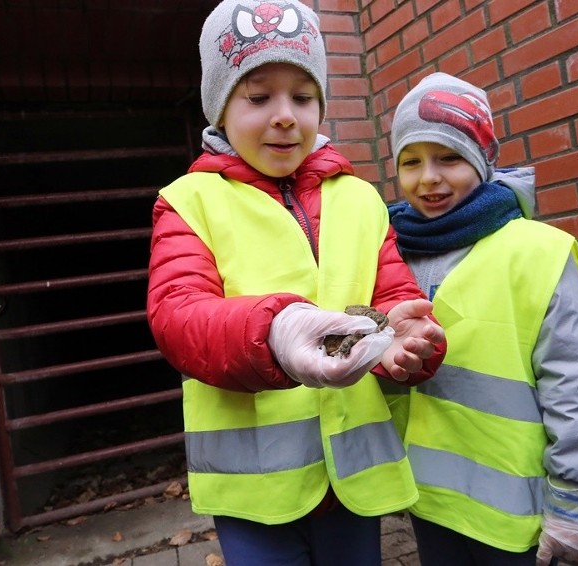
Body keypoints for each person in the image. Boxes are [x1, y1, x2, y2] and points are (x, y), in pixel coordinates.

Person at [146, 2, 447, 565]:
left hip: (354, 478)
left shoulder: (359, 198)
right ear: (220, 106)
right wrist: (275, 333)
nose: (285, 115)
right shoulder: (187, 202)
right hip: (257, 490)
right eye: (259, 97)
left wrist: (410, 346)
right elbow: (177, 318)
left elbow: (394, 298)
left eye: (303, 97)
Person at [387, 72, 578, 566]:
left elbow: (574, 388)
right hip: (428, 503)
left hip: (518, 520)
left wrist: (572, 507)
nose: (428, 177)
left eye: (448, 157)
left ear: (484, 160)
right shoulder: (392, 254)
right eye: (410, 161)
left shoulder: (539, 253)